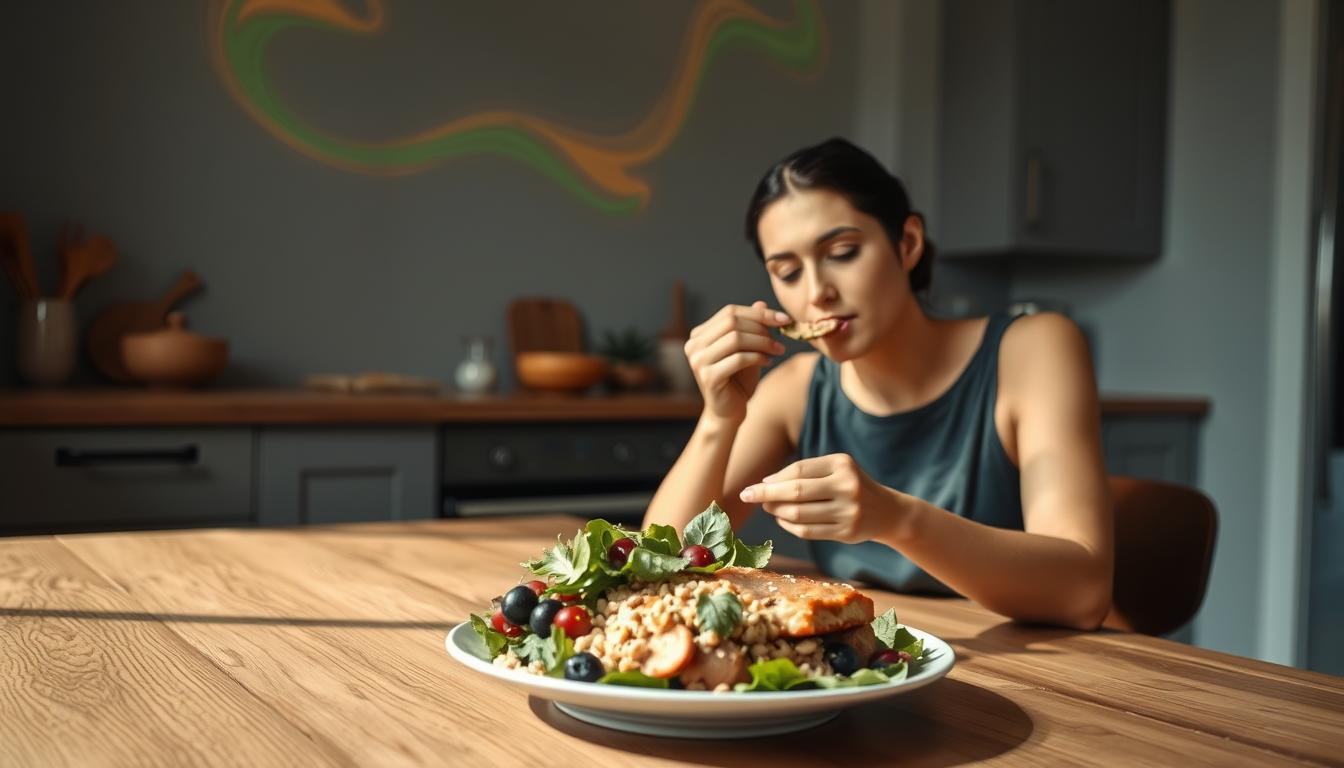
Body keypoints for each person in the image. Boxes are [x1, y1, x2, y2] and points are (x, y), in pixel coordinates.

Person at [642, 137, 1113, 630]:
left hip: (1028, 666)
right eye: (787, 271)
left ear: (907, 244)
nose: (816, 293)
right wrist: (719, 419)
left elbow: (1082, 592)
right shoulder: (798, 388)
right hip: (866, 660)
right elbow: (657, 565)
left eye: (843, 253)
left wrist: (897, 519)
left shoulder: (1032, 348)